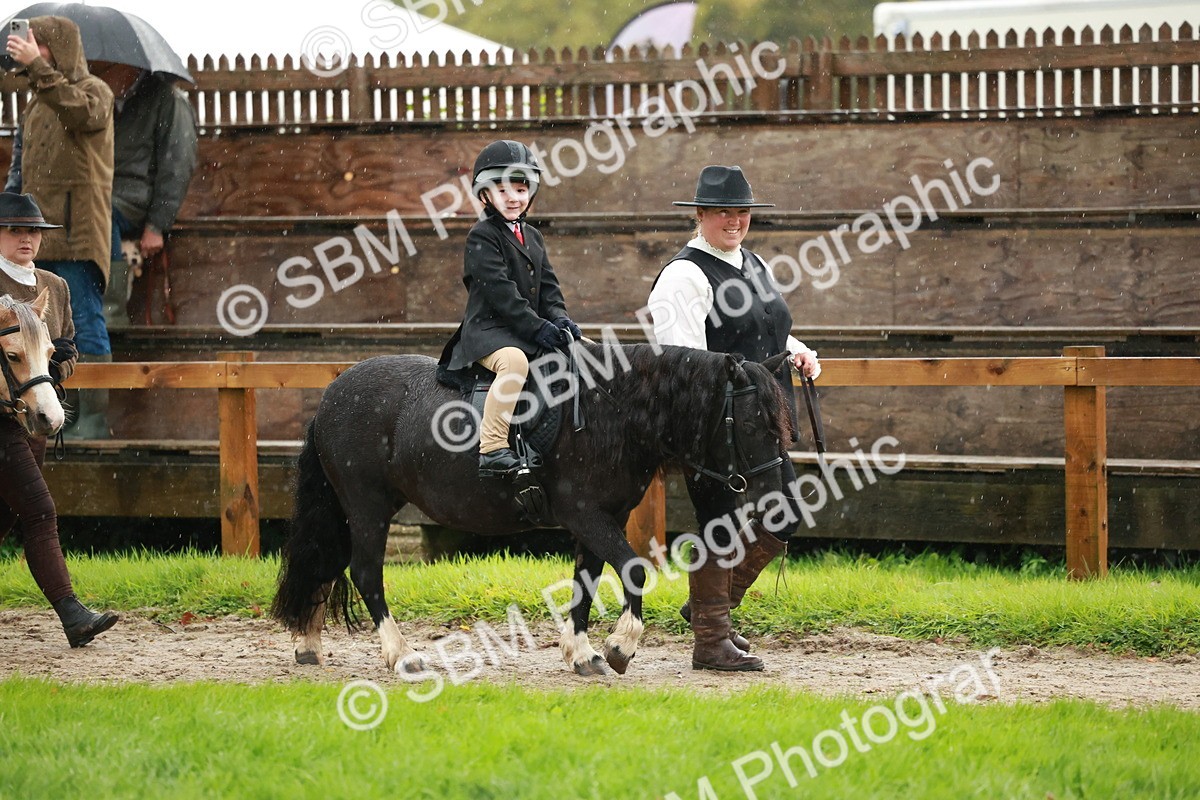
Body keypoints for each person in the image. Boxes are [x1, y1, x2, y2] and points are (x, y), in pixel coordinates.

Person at [647, 165, 821, 672]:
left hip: (760, 418)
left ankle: (709, 609)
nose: (734, 220)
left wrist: (797, 352)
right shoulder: (684, 275)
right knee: (719, 523)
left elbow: (765, 328)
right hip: (712, 419)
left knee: (784, 511)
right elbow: (681, 358)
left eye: (742, 210)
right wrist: (715, 408)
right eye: (723, 211)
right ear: (699, 215)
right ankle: (711, 637)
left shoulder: (752, 262)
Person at [0, 192, 118, 647]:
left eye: (32, 231)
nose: (26, 239)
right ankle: (73, 615)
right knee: (39, 509)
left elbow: (64, 354)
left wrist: (60, 362)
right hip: (1, 421)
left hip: (36, 418)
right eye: (15, 231)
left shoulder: (58, 286)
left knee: (6, 514)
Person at [438, 140, 582, 477]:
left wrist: (560, 318)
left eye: (520, 189)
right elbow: (502, 295)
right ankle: (492, 447)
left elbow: (548, 287)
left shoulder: (533, 236)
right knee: (515, 363)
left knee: (583, 353)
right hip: (490, 333)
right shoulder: (481, 236)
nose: (513, 197)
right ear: (485, 195)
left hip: (525, 327)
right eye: (502, 190)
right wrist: (538, 328)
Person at [4, 16, 115, 439]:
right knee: (27, 327)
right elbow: (20, 170)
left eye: (41, 44)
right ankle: (41, 407)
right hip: (38, 234)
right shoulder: (36, 102)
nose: (32, 50)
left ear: (60, 48)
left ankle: (94, 422)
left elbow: (80, 113)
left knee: (83, 322)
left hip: (78, 232)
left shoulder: (94, 92)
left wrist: (37, 66)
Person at [90, 61, 198, 329]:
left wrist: (156, 225)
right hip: (99, 196)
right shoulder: (101, 98)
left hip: (134, 202)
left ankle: (110, 315)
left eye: (102, 67)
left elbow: (177, 165)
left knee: (101, 212)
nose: (96, 70)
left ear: (125, 66)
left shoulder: (168, 99)